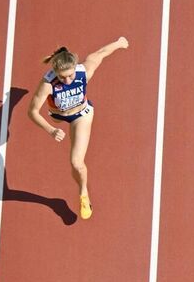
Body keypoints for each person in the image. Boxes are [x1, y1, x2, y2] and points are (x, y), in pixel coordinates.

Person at [27, 38, 129, 220]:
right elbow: (33, 112)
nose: (67, 80)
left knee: (76, 163)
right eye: (62, 77)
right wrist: (50, 130)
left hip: (81, 115)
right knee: (62, 133)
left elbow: (99, 54)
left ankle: (83, 193)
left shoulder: (84, 72)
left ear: (75, 68)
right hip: (57, 117)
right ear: (55, 72)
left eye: (70, 75)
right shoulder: (48, 84)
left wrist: (119, 43)